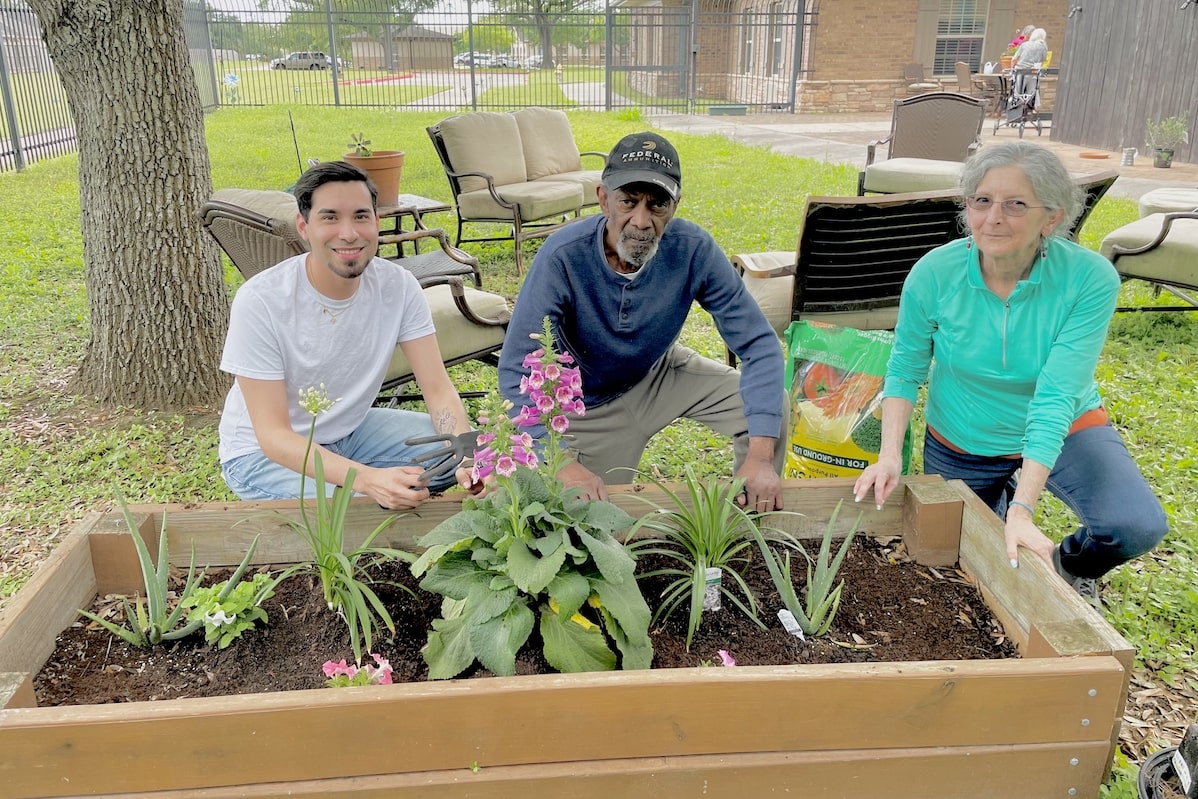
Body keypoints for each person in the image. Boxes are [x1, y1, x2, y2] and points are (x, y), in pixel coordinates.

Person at [853, 142, 1167, 603]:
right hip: (963, 434)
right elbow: (904, 369)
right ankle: (1000, 495)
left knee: (1134, 525)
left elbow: (1056, 395)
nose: (993, 217)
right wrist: (889, 456)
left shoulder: (1090, 279)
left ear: (1053, 217)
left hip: (1067, 427)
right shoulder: (934, 272)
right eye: (981, 201)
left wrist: (1025, 508)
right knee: (967, 555)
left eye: (1016, 204)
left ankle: (1068, 564)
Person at [497, 131, 787, 511]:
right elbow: (517, 369)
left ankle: (746, 522)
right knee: (590, 521)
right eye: (628, 201)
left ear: (675, 206)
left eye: (657, 205)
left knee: (770, 410)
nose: (641, 220)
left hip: (659, 373)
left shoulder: (693, 249)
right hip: (589, 404)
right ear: (603, 199)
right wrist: (563, 463)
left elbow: (760, 346)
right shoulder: (563, 257)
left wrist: (761, 458)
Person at [218, 161, 478, 509]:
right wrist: (368, 479)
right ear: (303, 227)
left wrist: (465, 457)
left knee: (465, 449)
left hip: (351, 434)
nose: (349, 232)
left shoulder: (398, 287)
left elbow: (437, 389)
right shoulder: (262, 300)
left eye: (360, 216)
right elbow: (273, 436)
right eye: (329, 218)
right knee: (361, 506)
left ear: (376, 222)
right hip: (262, 457)